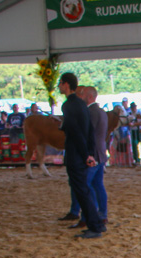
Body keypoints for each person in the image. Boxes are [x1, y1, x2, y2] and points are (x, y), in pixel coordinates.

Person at [58, 72, 104, 239]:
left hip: (75, 154)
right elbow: (89, 131)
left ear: (66, 84)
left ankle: (95, 226)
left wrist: (85, 154)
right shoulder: (82, 104)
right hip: (83, 153)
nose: (59, 86)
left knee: (81, 191)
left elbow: (76, 132)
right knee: (85, 190)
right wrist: (90, 153)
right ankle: (97, 223)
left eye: (61, 83)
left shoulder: (68, 106)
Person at [80, 86, 108, 226]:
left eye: (83, 94)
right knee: (98, 185)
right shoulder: (102, 111)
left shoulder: (90, 112)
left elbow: (87, 133)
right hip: (101, 152)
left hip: (93, 154)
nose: (81, 96)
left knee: (86, 185)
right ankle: (102, 213)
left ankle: (88, 216)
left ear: (90, 96)